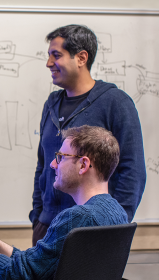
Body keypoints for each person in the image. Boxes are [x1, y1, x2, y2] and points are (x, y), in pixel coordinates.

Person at [0, 125, 128, 279]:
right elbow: (36, 265)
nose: (53, 164)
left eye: (61, 157)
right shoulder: (116, 212)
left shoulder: (78, 218)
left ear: (83, 165)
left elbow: (17, 275)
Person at [30, 24, 146, 245]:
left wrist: (112, 227)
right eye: (49, 56)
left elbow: (133, 170)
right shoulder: (51, 104)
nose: (49, 63)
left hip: (90, 232)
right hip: (46, 229)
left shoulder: (115, 102)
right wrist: (37, 217)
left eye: (56, 55)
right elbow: (43, 165)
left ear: (81, 58)